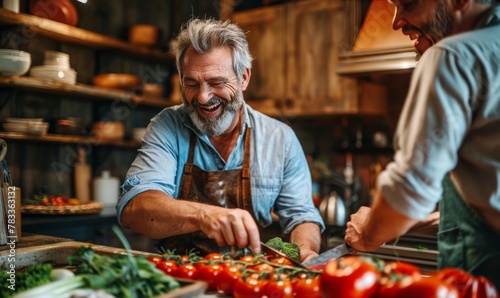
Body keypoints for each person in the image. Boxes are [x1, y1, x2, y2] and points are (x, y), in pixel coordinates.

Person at [117, 18, 324, 262]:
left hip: (253, 279)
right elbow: (135, 208)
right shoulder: (167, 126)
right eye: (192, 83)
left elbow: (302, 217)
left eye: (216, 82)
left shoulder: (280, 139)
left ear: (244, 78)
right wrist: (204, 216)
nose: (203, 97)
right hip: (181, 277)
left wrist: (304, 248)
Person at [345, 0, 500, 289]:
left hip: (483, 280)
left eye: (408, 3)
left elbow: (409, 188)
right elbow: (487, 200)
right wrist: (406, 224)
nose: (395, 21)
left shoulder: (453, 56)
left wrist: (368, 234)